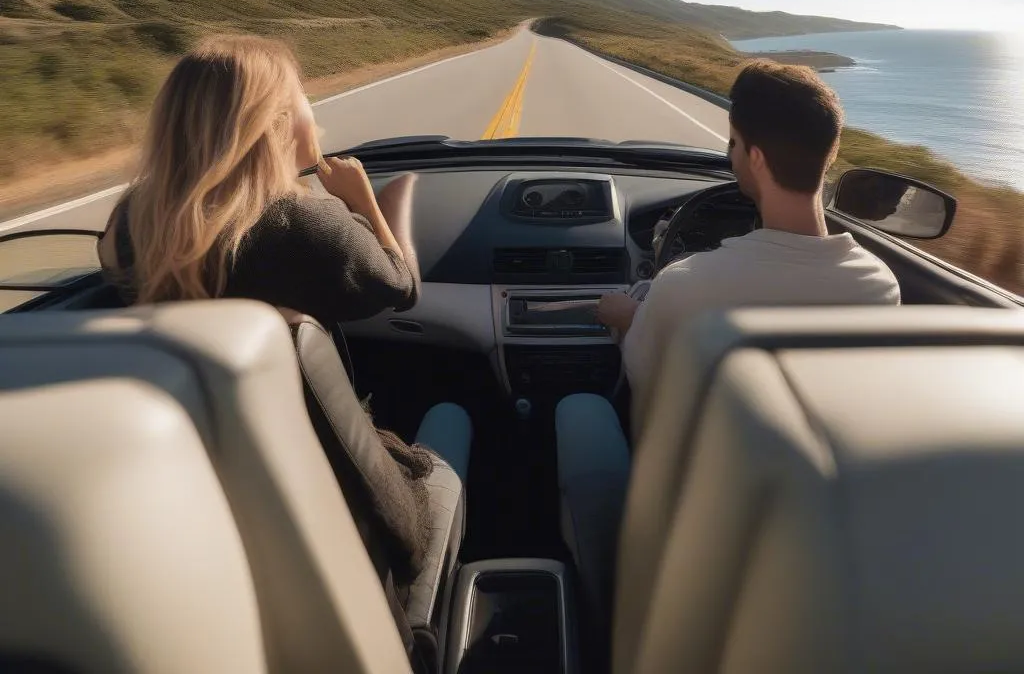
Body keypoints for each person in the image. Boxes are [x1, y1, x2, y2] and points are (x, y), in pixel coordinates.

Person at [555, 59, 900, 626]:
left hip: (690, 535)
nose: (730, 156)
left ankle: (601, 606)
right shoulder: (879, 285)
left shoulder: (686, 287)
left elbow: (643, 385)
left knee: (581, 409)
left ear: (756, 157)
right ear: (830, 153)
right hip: (812, 530)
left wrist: (625, 316)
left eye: (734, 144)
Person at [99, 35, 471, 520]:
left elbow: (110, 267)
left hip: (199, 474)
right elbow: (401, 286)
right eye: (304, 100)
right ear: (272, 123)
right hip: (335, 484)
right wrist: (367, 202)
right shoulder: (307, 225)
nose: (315, 115)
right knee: (452, 418)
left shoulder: (131, 222)